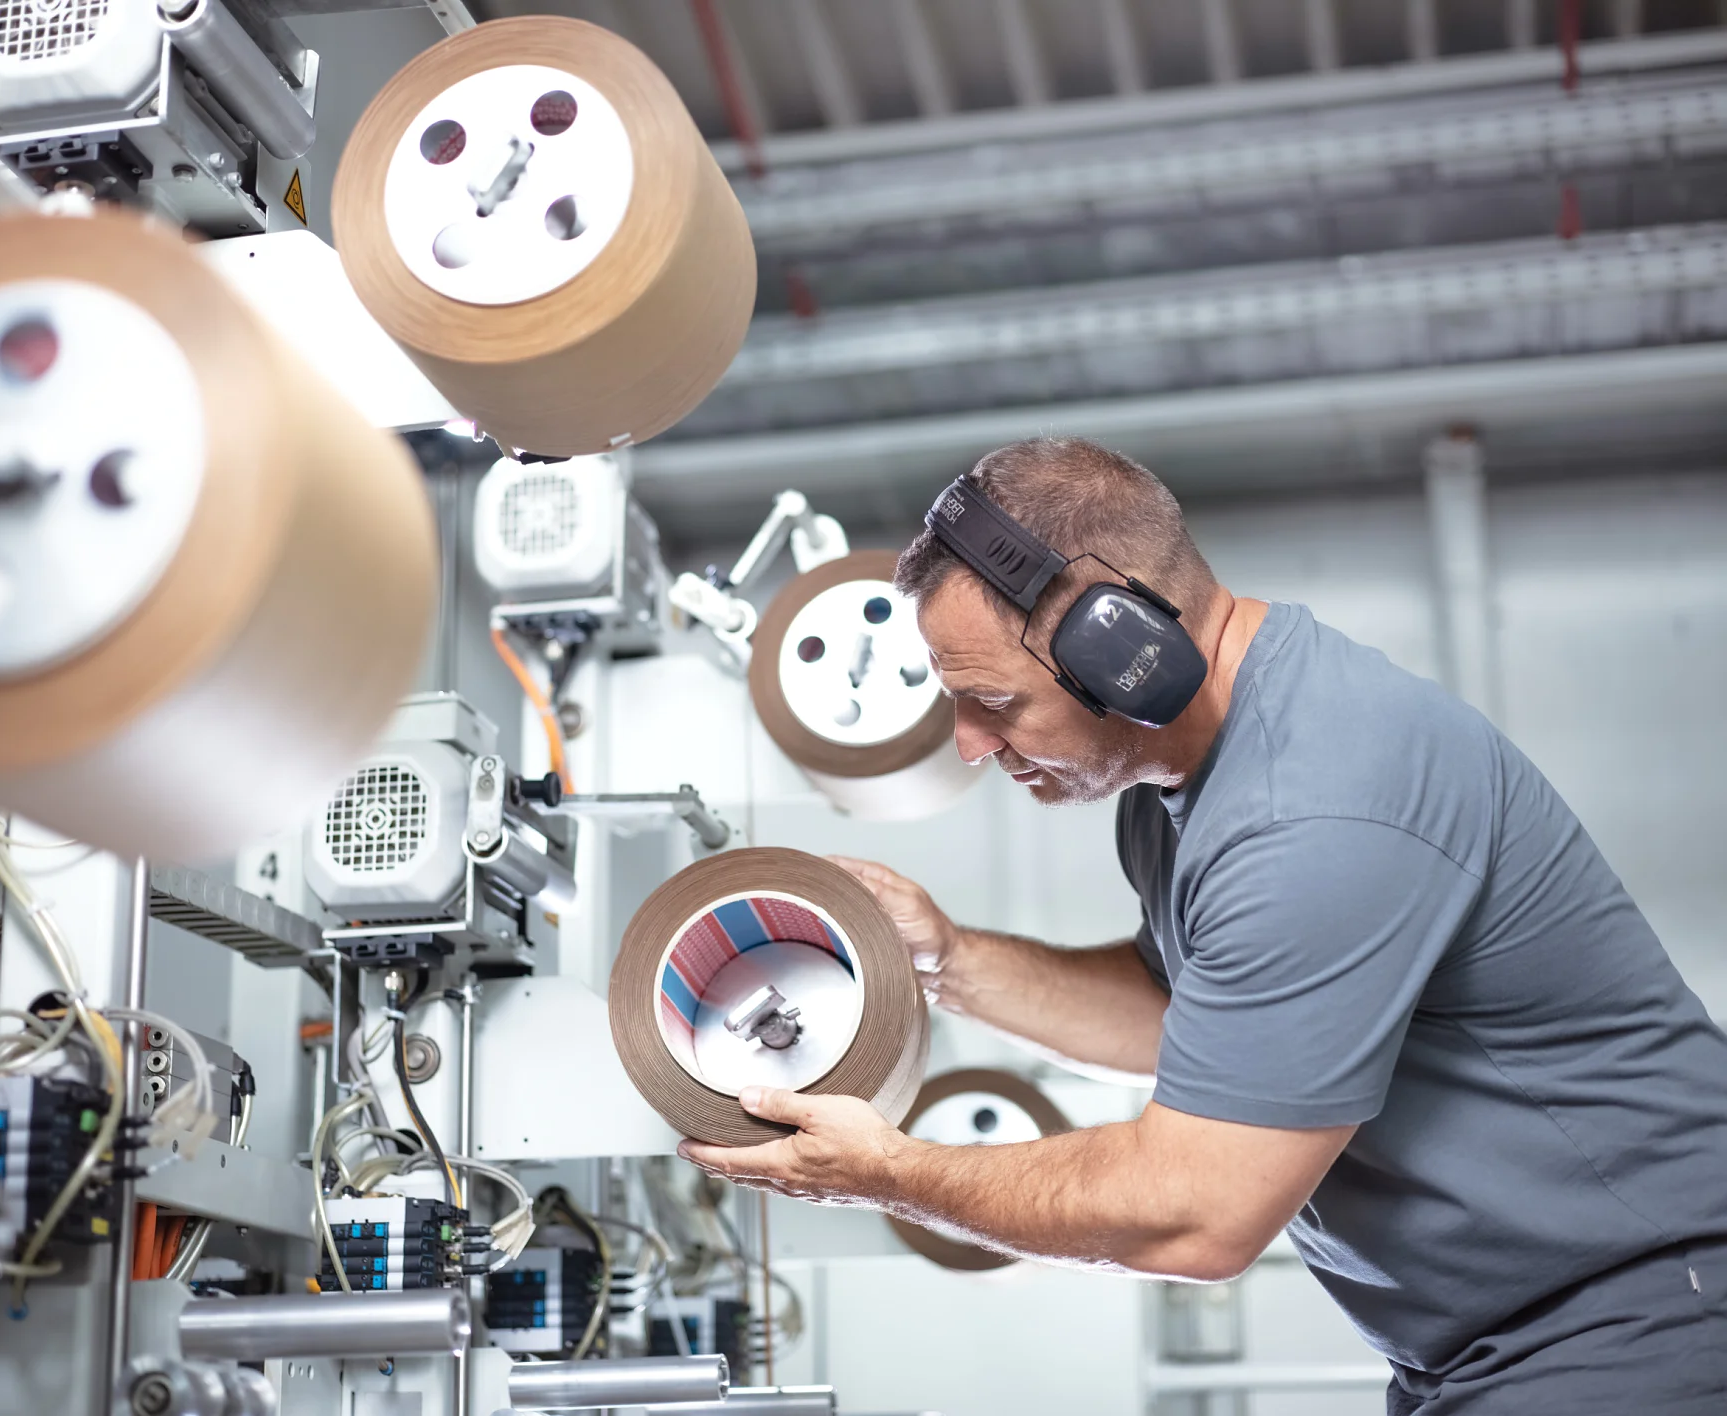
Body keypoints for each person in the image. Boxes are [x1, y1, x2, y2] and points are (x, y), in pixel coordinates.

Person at [678, 436, 1727, 1413]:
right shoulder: (1170, 784)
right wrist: (944, 959)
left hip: (1640, 1319)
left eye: (992, 701)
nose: (968, 743)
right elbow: (1192, 1018)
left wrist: (886, 1174)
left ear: (1122, 649)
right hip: (1498, 1347)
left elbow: (1197, 1213)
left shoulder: (1316, 805)